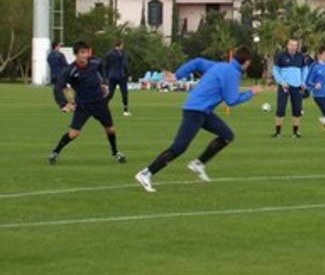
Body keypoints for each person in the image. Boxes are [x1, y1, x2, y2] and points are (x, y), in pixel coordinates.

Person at [134, 47, 262, 192]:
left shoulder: (220, 66)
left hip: (203, 111)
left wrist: (177, 75)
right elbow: (231, 100)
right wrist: (251, 93)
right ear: (247, 62)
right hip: (195, 111)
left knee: (227, 135)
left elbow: (197, 62)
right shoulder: (232, 73)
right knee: (179, 147)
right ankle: (146, 173)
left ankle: (198, 164)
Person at [48, 40, 126, 165]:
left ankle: (116, 152)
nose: (85, 55)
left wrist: (104, 82)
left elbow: (102, 68)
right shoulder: (70, 70)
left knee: (111, 129)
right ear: (76, 54)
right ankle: (55, 152)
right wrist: (64, 104)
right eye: (82, 52)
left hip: (100, 103)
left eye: (86, 52)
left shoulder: (95, 62)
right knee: (74, 134)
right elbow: (58, 87)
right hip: (83, 105)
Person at [272, 39, 308, 139]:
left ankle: (295, 132)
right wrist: (281, 82)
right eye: (291, 45)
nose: (293, 47)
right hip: (284, 86)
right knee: (280, 109)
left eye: (295, 45)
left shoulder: (301, 57)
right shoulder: (281, 56)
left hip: (297, 86)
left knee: (297, 110)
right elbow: (275, 70)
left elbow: (305, 70)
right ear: (287, 45)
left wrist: (303, 82)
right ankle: (278, 132)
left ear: (297, 46)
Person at [104, 38, 131, 116]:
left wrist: (106, 76)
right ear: (121, 45)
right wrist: (128, 74)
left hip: (112, 76)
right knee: (124, 93)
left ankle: (103, 107)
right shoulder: (122, 54)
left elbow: (105, 66)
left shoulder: (109, 53)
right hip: (121, 76)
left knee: (110, 94)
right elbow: (125, 65)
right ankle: (125, 110)